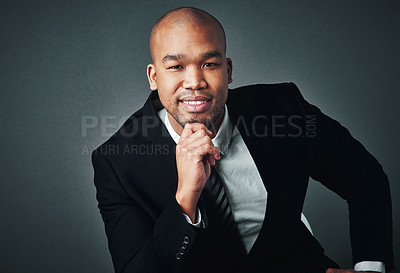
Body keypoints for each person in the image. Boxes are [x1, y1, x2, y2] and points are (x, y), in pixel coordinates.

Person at [91, 7, 394, 273]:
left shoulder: (284, 109)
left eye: (209, 64)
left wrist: (370, 268)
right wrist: (185, 199)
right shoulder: (118, 162)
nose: (195, 81)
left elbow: (366, 180)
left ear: (228, 70)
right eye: (176, 67)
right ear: (154, 77)